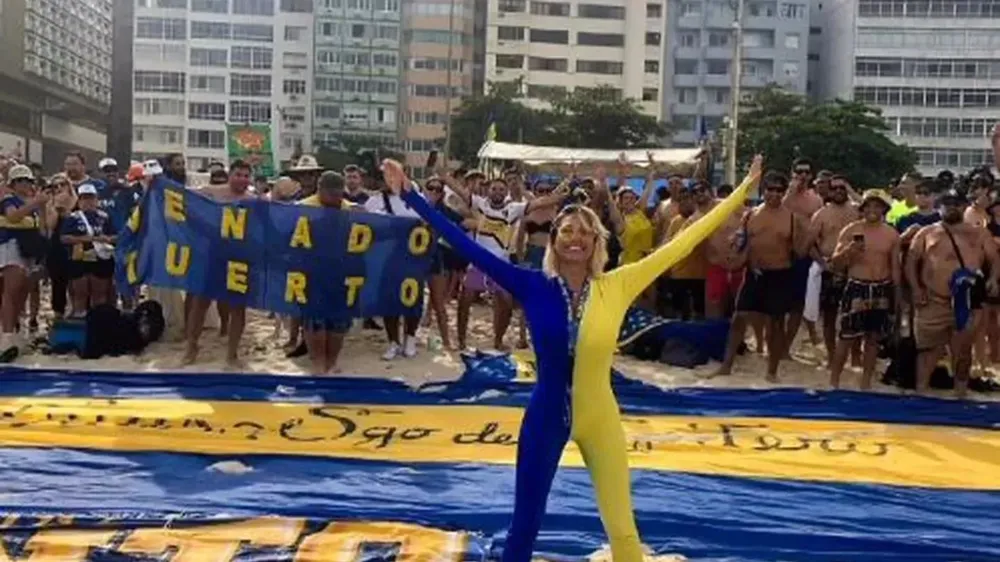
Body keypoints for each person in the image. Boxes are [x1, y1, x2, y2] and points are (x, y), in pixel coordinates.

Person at [384, 156, 762, 562]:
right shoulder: (531, 283)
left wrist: (743, 189)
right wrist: (410, 194)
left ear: (597, 241)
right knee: (524, 529)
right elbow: (462, 242)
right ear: (554, 239)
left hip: (600, 417)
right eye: (566, 231)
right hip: (545, 416)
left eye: (585, 232)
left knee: (623, 532)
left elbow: (682, 244)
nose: (575, 239)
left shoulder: (618, 284)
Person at [445, 176, 566, 351]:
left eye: (501, 189)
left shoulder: (513, 209)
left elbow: (539, 203)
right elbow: (459, 191)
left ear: (506, 192)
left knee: (507, 303)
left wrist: (562, 194)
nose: (497, 192)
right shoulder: (480, 203)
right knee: (465, 299)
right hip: (479, 260)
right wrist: (444, 176)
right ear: (489, 191)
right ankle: (462, 340)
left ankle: (498, 340)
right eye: (494, 189)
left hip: (501, 263)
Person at [716, 171, 809, 380]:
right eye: (770, 189)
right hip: (754, 274)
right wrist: (736, 247)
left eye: (779, 190)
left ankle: (772, 371)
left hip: (779, 274)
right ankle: (726, 366)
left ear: (784, 193)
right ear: (763, 190)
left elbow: (800, 252)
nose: (774, 194)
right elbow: (740, 240)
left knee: (776, 324)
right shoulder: (750, 215)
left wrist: (810, 240)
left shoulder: (793, 219)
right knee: (739, 318)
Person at [906, 190, 999, 398]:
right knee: (928, 350)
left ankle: (960, 393)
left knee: (963, 350)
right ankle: (921, 391)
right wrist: (916, 289)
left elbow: (994, 259)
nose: (952, 207)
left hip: (966, 301)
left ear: (963, 206)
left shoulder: (979, 233)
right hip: (932, 300)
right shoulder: (926, 233)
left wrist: (993, 279)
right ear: (940, 207)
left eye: (956, 204)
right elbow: (911, 263)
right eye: (947, 204)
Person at [182, 159, 256, 368]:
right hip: (211, 255)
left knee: (237, 307)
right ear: (230, 174)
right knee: (200, 302)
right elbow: (181, 197)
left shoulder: (253, 200)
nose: (242, 179)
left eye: (245, 175)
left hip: (239, 256)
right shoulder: (211, 192)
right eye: (238, 174)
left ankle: (232, 354)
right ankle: (192, 347)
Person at [828, 189, 900, 389]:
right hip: (856, 286)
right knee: (847, 337)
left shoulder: (891, 234)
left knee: (873, 339)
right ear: (862, 208)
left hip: (881, 289)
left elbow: (895, 268)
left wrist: (897, 298)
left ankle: (865, 383)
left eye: (877, 206)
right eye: (868, 205)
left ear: (884, 209)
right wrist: (848, 251)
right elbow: (834, 264)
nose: (872, 209)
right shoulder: (851, 230)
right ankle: (834, 381)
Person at [298, 171, 359, 373]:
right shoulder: (303, 208)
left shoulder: (350, 210)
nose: (337, 198)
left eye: (339, 194)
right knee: (315, 321)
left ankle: (332, 362)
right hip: (311, 274)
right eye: (332, 194)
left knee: (338, 322)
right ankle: (318, 362)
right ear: (320, 190)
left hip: (342, 274)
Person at [806, 175, 859, 362]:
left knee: (855, 315)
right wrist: (822, 262)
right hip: (830, 270)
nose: (838, 191)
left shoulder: (857, 211)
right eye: (834, 188)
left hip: (854, 270)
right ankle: (831, 356)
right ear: (829, 191)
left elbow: (878, 211)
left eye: (841, 188)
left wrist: (851, 188)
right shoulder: (821, 214)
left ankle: (855, 357)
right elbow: (809, 244)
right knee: (829, 316)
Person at [0, 164, 48, 355]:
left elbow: (43, 229)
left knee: (23, 290)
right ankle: (6, 335)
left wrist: (42, 207)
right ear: (12, 183)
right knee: (11, 290)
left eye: (27, 180)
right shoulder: (9, 200)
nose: (24, 184)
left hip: (29, 248)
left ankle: (16, 330)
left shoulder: (33, 203)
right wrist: (35, 203)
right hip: (10, 245)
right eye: (19, 180)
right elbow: (12, 217)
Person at [59, 183, 117, 316]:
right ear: (79, 201)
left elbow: (116, 236)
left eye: (91, 198)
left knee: (100, 293)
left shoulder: (105, 217)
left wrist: (106, 239)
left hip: (100, 258)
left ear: (96, 200)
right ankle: (79, 317)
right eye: (84, 198)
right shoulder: (73, 218)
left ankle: (99, 319)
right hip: (79, 258)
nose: (88, 202)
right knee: (80, 291)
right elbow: (63, 238)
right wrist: (84, 239)